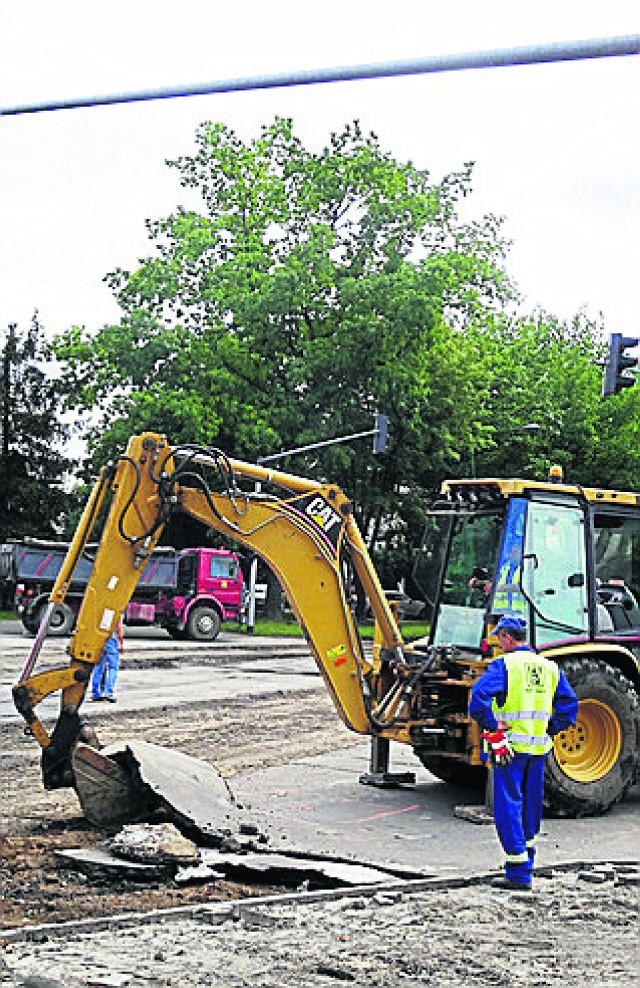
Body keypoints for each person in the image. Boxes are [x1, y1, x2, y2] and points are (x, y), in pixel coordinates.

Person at [469, 614, 578, 890]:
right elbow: (569, 706)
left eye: (499, 637)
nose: (498, 643)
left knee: (508, 805)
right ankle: (527, 860)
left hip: (510, 748)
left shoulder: (504, 665)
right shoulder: (550, 668)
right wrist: (549, 728)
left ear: (506, 637)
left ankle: (518, 873)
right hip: (538, 749)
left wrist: (493, 723)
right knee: (531, 805)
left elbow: (478, 698)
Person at [90, 617, 124, 703]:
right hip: (111, 638)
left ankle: (96, 693)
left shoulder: (99, 607)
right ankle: (108, 692)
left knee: (98, 666)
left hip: (98, 638)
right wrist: (121, 643)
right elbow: (119, 627)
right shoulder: (115, 607)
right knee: (113, 667)